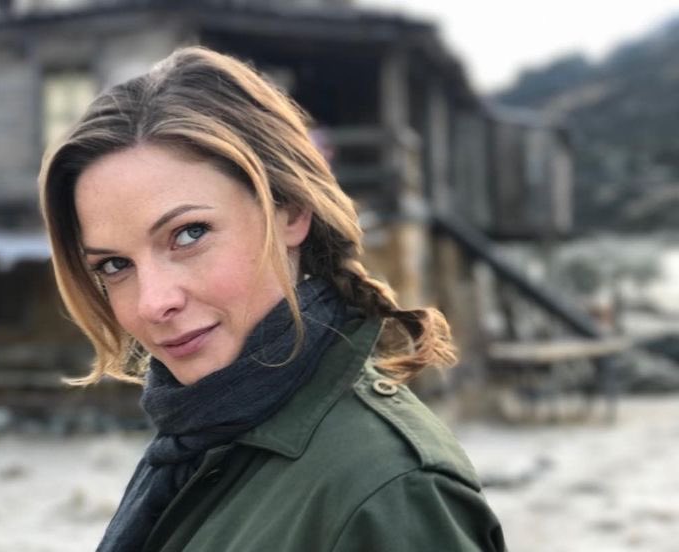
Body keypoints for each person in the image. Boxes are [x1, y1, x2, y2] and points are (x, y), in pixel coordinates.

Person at [39, 46, 506, 552]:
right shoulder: (198, 443)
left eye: (189, 234)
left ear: (291, 211)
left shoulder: (389, 491)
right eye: (114, 265)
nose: (153, 304)